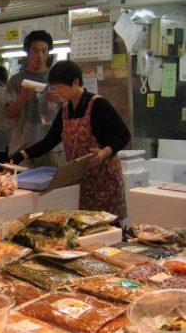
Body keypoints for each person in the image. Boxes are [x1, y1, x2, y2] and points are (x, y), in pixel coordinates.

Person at [10, 60, 131, 220]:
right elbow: (49, 141)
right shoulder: (65, 110)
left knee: (107, 226)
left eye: (61, 87)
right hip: (80, 179)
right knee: (83, 226)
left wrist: (103, 152)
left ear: (75, 82)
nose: (58, 92)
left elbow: (123, 134)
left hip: (104, 179)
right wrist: (21, 155)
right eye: (55, 87)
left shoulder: (98, 104)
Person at [5, 30, 65, 167]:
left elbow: (74, 110)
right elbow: (9, 113)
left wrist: (62, 100)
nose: (40, 56)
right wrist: (23, 97)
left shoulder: (58, 78)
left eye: (44, 51)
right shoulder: (16, 80)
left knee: (53, 188)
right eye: (35, 51)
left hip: (52, 150)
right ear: (28, 52)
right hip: (22, 148)